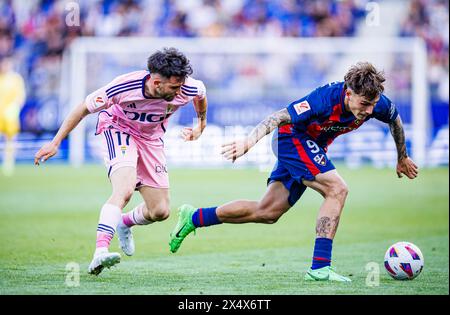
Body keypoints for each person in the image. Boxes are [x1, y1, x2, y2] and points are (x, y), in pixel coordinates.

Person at [168, 62, 418, 282]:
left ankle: (194, 217)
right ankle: (320, 267)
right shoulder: (324, 99)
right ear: (349, 93)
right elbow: (278, 117)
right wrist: (248, 142)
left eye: (373, 105)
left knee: (267, 212)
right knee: (337, 189)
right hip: (292, 139)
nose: (370, 111)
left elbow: (394, 120)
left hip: (311, 147)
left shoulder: (376, 102)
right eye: (365, 104)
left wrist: (402, 156)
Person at [34, 48, 208, 275]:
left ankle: (124, 223)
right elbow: (83, 108)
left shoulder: (188, 87)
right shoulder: (124, 87)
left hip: (151, 138)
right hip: (118, 129)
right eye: (173, 87)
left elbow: (200, 96)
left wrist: (201, 125)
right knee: (124, 190)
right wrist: (55, 142)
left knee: (160, 211)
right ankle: (100, 252)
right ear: (156, 82)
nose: (179, 92)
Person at [0, 54, 26, 176]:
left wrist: (14, 108)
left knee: (10, 139)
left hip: (10, 116)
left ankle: (8, 163)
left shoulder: (16, 79)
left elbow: (21, 97)